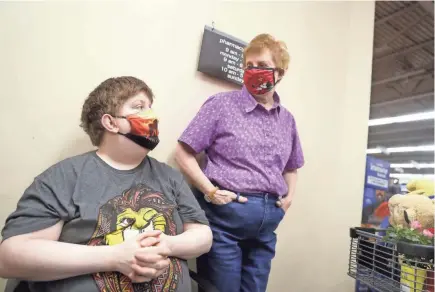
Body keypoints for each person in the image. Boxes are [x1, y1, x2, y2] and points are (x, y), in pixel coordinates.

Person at [0, 76, 212, 292]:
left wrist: (167, 244)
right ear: (110, 122)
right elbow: (10, 257)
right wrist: (115, 257)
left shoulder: (170, 177)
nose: (152, 116)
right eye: (139, 107)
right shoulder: (64, 177)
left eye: (151, 107)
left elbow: (203, 236)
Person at [175, 34, 305, 292]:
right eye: (249, 65)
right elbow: (183, 152)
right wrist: (210, 191)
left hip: (267, 226)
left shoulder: (287, 120)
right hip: (225, 221)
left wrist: (289, 198)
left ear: (280, 72)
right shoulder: (221, 105)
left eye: (262, 65)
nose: (253, 71)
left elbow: (292, 166)